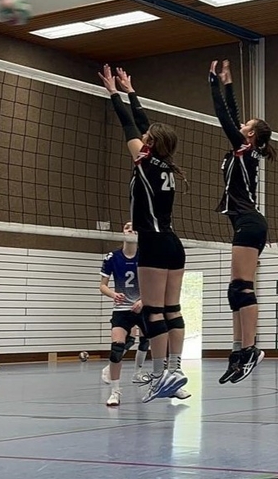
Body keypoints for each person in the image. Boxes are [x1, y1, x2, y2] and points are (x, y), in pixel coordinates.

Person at [100, 65, 187, 402]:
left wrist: (114, 93)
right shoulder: (167, 166)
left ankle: (161, 375)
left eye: (147, 136)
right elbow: (144, 124)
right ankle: (175, 370)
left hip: (152, 242)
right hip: (173, 243)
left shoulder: (143, 161)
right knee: (172, 309)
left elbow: (129, 124)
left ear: (150, 144)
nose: (143, 136)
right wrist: (131, 91)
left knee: (153, 311)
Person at [208, 59, 275, 385]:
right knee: (235, 289)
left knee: (243, 287)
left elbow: (224, 117)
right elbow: (234, 116)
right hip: (244, 224)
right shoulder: (245, 147)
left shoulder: (244, 147)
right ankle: (237, 353)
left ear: (249, 134)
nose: (241, 125)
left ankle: (250, 349)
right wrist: (228, 83)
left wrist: (212, 83)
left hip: (250, 223)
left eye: (246, 125)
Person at [98, 221, 180, 406]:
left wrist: (143, 300)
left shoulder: (146, 255)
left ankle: (169, 383)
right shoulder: (112, 257)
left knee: (159, 343)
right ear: (122, 232)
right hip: (121, 310)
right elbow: (102, 286)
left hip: (144, 307)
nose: (131, 230)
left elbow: (156, 284)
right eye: (127, 227)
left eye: (134, 228)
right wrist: (113, 294)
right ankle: (115, 392)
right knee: (117, 349)